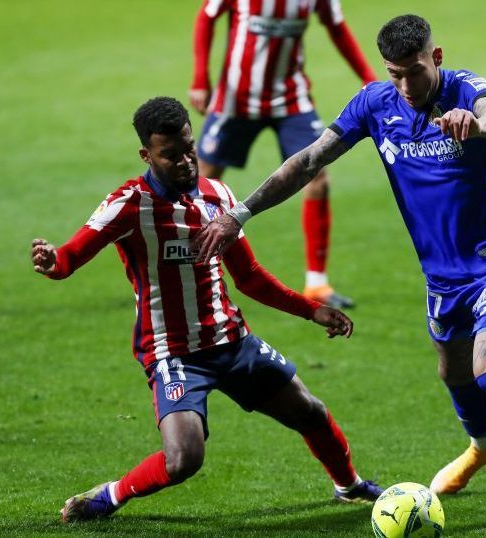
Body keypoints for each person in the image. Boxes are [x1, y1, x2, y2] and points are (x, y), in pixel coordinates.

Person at [194, 14, 486, 508]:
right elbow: (309, 160)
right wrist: (240, 213)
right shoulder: (376, 105)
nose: (404, 85)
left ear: (435, 58)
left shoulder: (469, 91)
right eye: (394, 73)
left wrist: (478, 125)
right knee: (454, 373)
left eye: (413, 72)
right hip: (442, 272)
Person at [30, 97, 382, 523]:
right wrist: (53, 262)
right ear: (147, 155)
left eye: (189, 149)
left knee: (310, 411)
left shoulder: (218, 196)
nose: (186, 162)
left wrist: (312, 311)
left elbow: (248, 276)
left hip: (233, 342)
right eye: (171, 155)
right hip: (173, 352)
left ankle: (350, 486)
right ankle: (109, 496)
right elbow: (70, 256)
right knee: (184, 459)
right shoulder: (129, 204)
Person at [189, 0, 378, 308]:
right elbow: (206, 17)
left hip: (291, 99)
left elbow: (337, 27)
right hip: (237, 99)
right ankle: (182, 270)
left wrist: (368, 78)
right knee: (198, 182)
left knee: (318, 178)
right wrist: (200, 78)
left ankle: (317, 284)